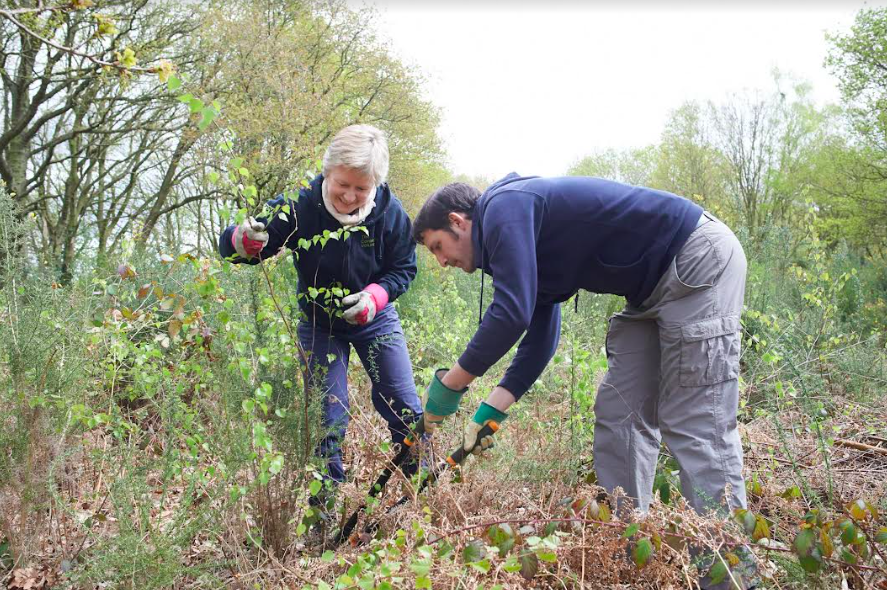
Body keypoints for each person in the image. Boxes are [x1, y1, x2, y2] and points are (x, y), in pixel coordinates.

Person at [412, 173, 755, 589]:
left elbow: (511, 313)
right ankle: (632, 553)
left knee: (695, 422)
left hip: (696, 259)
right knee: (619, 415)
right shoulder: (516, 237)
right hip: (648, 293)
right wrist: (490, 412)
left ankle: (730, 577)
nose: (442, 262)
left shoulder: (504, 206)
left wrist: (450, 386)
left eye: (438, 247)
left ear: (458, 221)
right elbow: (539, 336)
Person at [219, 124, 423, 492]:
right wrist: (242, 240)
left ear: (375, 183)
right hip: (320, 325)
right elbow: (244, 246)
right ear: (327, 171)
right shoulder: (297, 207)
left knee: (403, 402)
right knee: (328, 414)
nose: (349, 195)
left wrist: (374, 298)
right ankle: (323, 505)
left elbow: (404, 269)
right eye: (342, 184)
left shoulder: (391, 215)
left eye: (361, 188)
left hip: (375, 319)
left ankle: (421, 484)